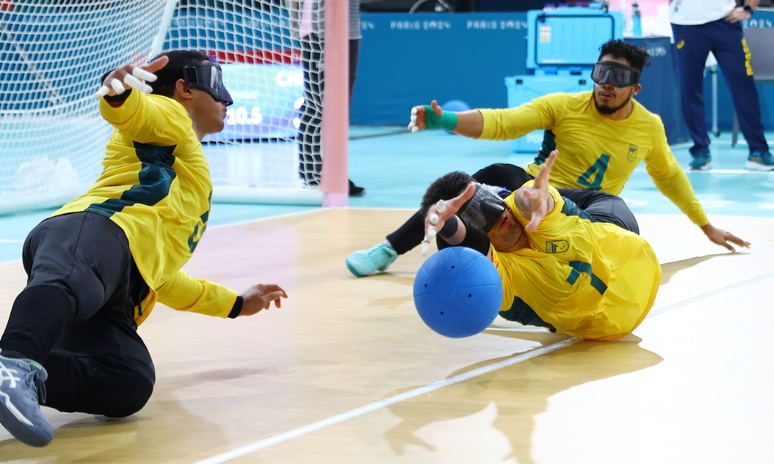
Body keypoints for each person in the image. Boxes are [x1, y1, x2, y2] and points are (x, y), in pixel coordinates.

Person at [0, 50, 288, 448]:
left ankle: (25, 384)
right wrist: (119, 94)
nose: (229, 100)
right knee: (74, 280)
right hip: (95, 230)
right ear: (184, 90)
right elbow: (134, 112)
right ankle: (13, 363)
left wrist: (235, 303)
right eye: (218, 86)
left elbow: (163, 279)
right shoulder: (170, 117)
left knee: (127, 379)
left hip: (119, 282)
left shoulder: (188, 175)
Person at [345, 39, 749, 277]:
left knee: (615, 234)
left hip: (585, 213)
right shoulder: (564, 105)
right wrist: (444, 119)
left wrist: (706, 226)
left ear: (636, 88)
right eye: (602, 73)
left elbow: (670, 176)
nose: (607, 85)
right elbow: (504, 122)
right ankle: (390, 249)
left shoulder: (649, 127)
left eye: (620, 78)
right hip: (532, 195)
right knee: (480, 178)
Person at [421, 150, 661, 341]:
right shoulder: (502, 278)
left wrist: (537, 199)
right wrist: (446, 222)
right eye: (476, 217)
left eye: (485, 200)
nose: (496, 213)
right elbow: (465, 239)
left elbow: (527, 199)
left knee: (528, 192)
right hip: (611, 325)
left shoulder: (519, 206)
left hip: (622, 239)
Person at [670, 0, 773, 171]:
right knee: (690, 89)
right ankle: (700, 151)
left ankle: (758, 151)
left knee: (744, 85)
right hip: (685, 22)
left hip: (724, 20)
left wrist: (749, 9)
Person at [287, 0, 366, 196]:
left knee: (341, 108)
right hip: (318, 31)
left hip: (350, 31)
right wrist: (295, 22)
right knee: (317, 102)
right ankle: (311, 173)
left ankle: (335, 174)